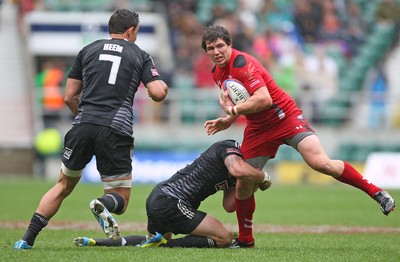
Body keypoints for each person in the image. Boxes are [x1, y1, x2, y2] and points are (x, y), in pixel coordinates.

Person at [201, 25, 396, 247]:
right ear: (206, 51)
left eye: (220, 46)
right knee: (243, 183)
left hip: (284, 117)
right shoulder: (217, 73)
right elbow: (241, 101)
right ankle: (246, 240)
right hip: (258, 128)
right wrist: (228, 120)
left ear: (229, 45)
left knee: (321, 163)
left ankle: (377, 192)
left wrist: (233, 112)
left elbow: (264, 99)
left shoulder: (243, 63)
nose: (216, 51)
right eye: (210, 48)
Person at [14, 9, 168, 250]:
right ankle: (103, 203)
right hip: (115, 129)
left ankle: (26, 239)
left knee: (62, 185)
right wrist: (161, 87)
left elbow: (69, 97)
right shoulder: (140, 55)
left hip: (83, 125)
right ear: (131, 30)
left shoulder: (88, 50)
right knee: (121, 197)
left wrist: (85, 119)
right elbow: (158, 93)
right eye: (136, 31)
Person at [73, 139, 271, 248]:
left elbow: (229, 206)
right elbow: (237, 169)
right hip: (172, 201)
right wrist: (261, 176)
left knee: (154, 238)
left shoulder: (238, 173)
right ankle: (165, 246)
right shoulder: (231, 148)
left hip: (160, 197)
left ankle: (95, 242)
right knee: (225, 238)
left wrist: (250, 183)